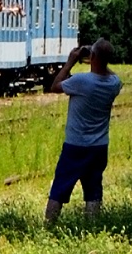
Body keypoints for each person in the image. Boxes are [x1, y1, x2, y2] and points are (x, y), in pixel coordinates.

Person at [45, 39, 123, 226]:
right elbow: (110, 73)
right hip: (99, 146)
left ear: (92, 56)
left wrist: (71, 62)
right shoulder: (114, 83)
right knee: (93, 189)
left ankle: (49, 225)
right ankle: (92, 226)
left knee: (60, 187)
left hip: (75, 145)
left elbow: (55, 86)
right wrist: (100, 60)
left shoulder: (81, 81)